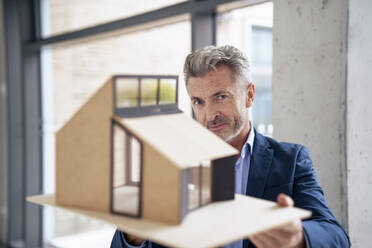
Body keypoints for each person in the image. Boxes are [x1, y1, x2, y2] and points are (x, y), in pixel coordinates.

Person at [111, 45, 350, 248]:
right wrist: (135, 234)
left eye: (220, 97)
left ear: (249, 95)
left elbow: (336, 236)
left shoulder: (291, 160)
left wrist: (299, 238)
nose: (209, 114)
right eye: (199, 102)